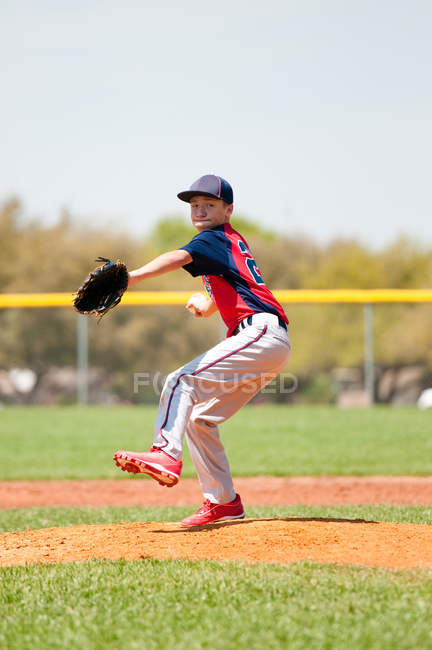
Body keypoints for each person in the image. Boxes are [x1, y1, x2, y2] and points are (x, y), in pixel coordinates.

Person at [114, 175, 291, 526]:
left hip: (260, 333)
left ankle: (164, 452)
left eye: (209, 204)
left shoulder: (211, 238)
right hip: (267, 339)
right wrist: (208, 305)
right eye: (195, 205)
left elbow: (177, 257)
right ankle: (223, 501)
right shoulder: (227, 242)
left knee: (181, 381)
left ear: (228, 209)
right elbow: (237, 286)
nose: (200, 210)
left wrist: (131, 278)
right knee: (199, 418)